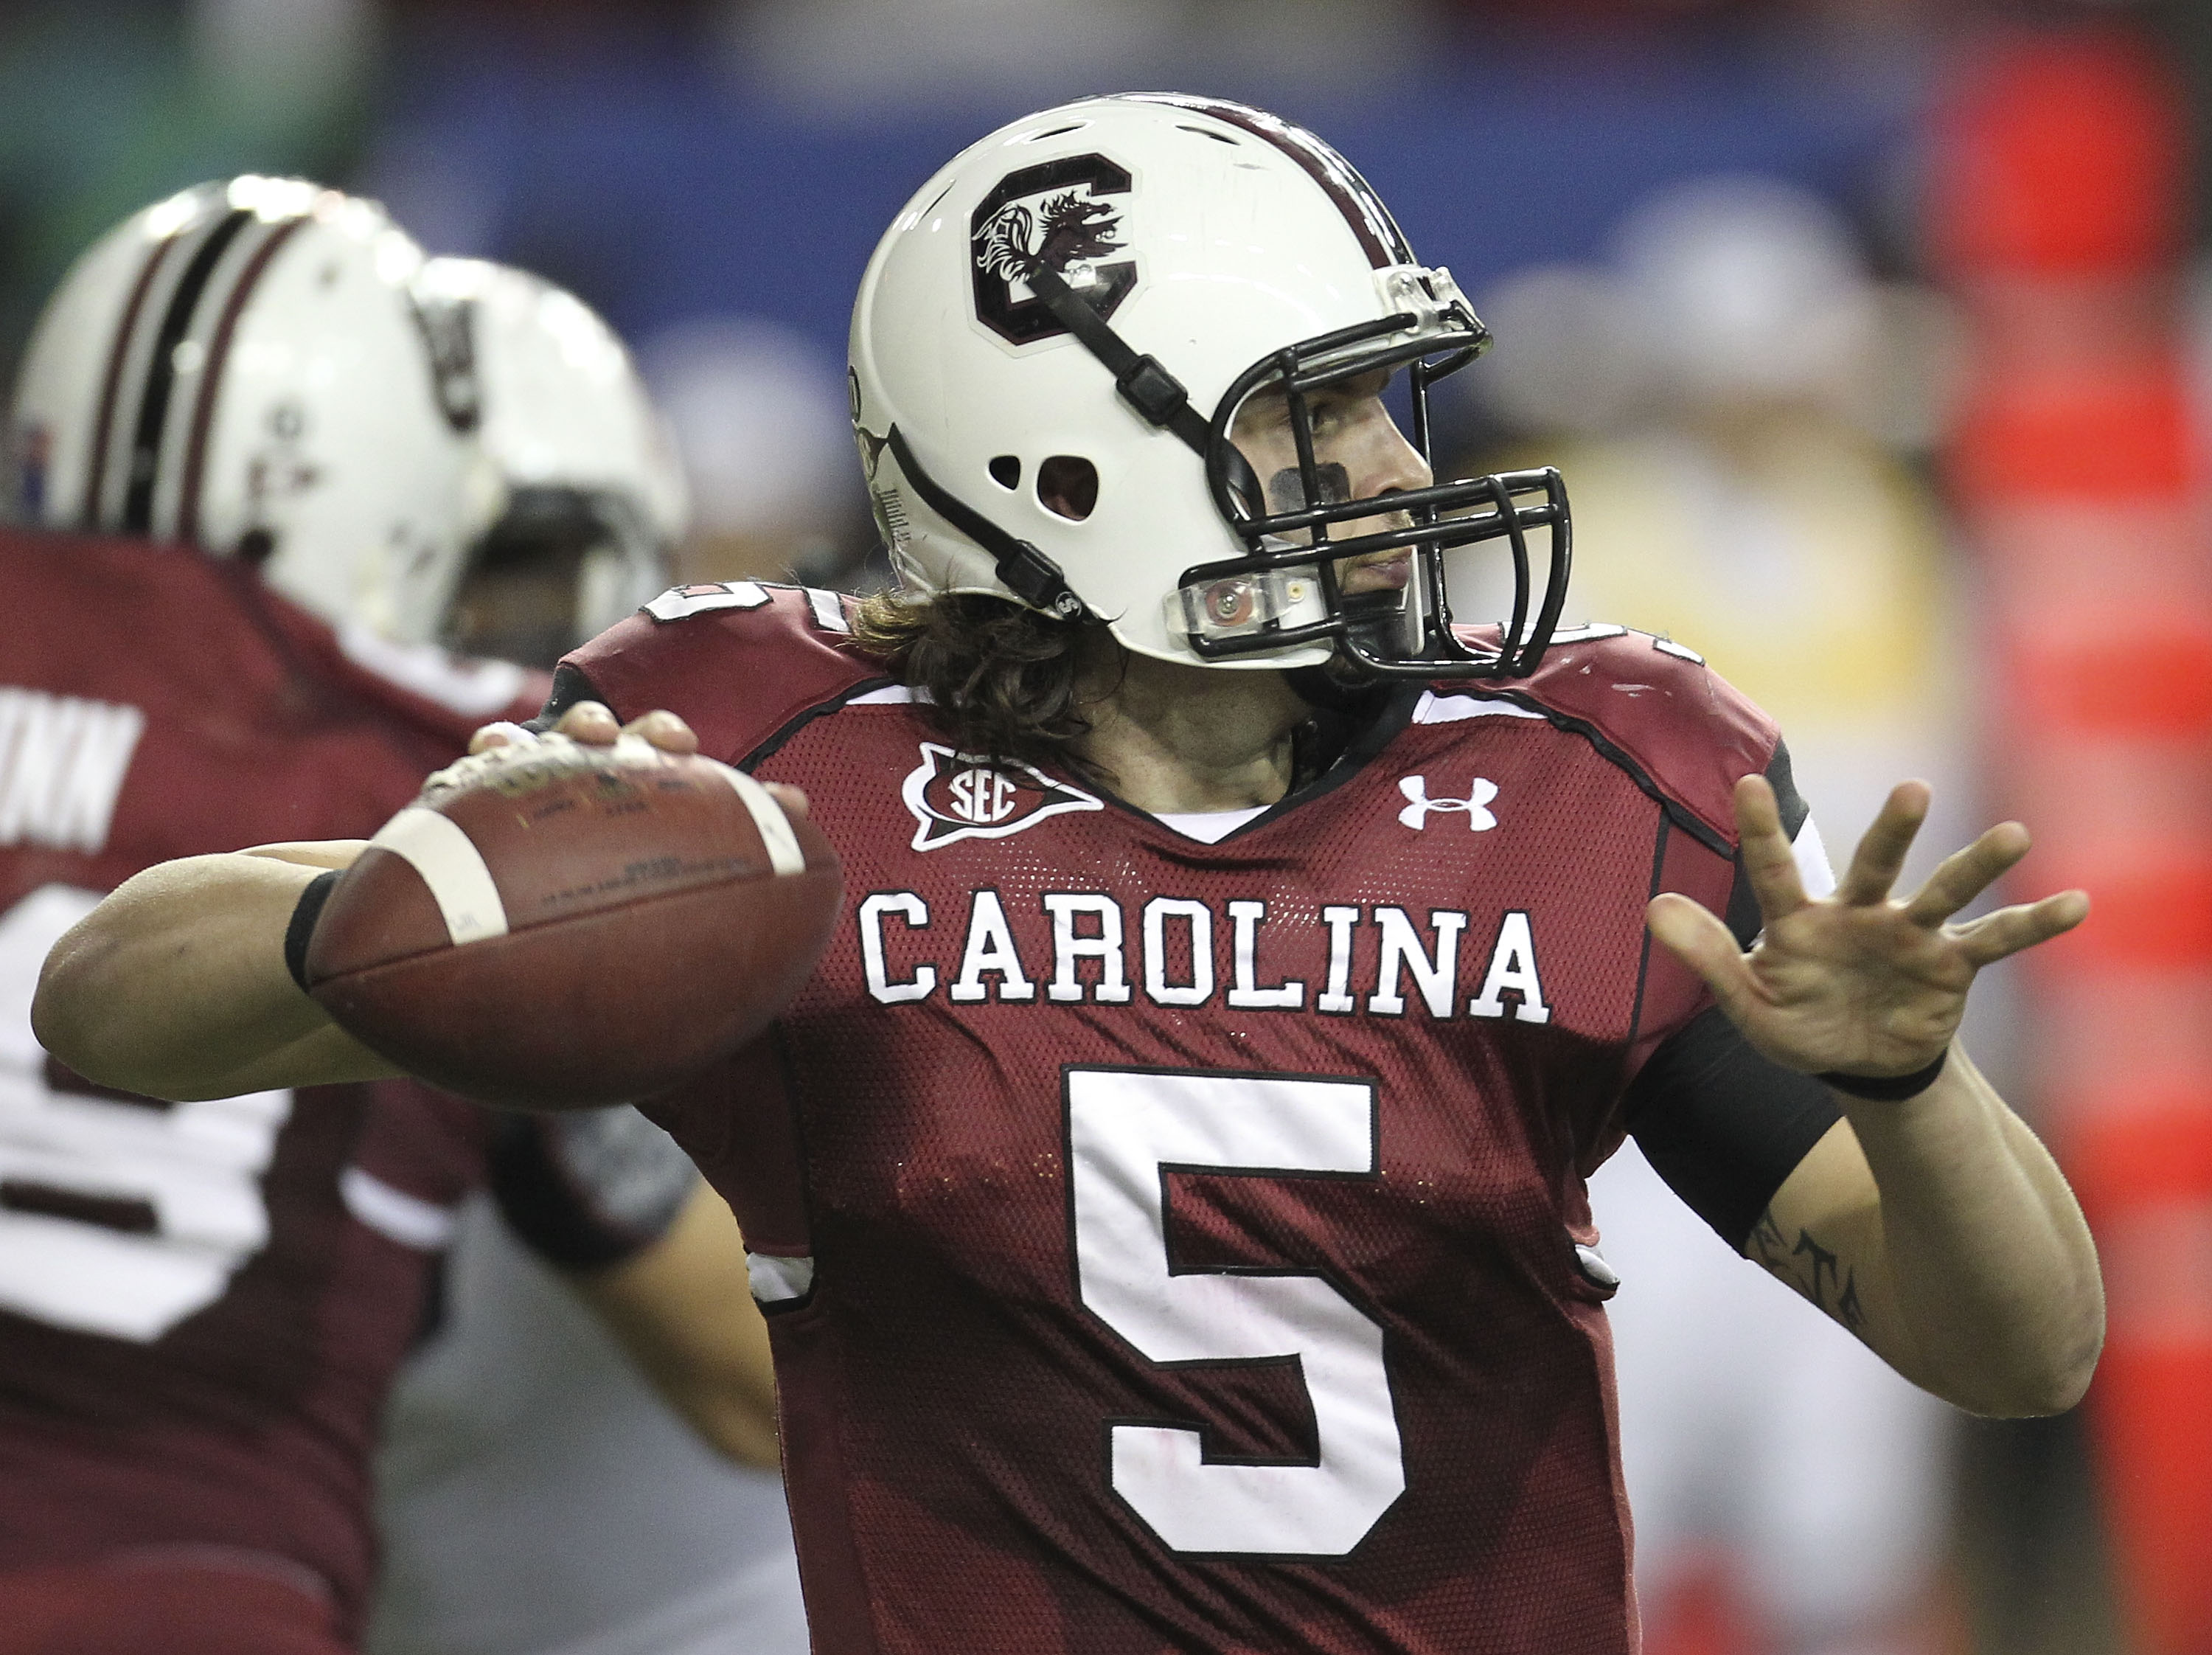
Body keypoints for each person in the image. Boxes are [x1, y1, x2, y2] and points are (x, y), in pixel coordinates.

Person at [35, 100, 2103, 1655]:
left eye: (1390, 410)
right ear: (1065, 458)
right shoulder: (766, 760)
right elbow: (109, 1003)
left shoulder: (1585, 783)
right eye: (1318, 421)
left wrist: (1918, 1091)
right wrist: (409, 904)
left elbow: (2022, 1347)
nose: (1402, 477)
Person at [0, 178, 775, 1655]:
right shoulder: (460, 774)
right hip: (193, 1577)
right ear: (402, 498)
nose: (518, 644)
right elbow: (762, 1381)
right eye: (497, 584)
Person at [365, 258, 810, 1655]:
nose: (465, 620)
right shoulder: (175, 845)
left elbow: (771, 1393)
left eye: (512, 568)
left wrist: (572, 1074)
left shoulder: (698, 829)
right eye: (412, 554)